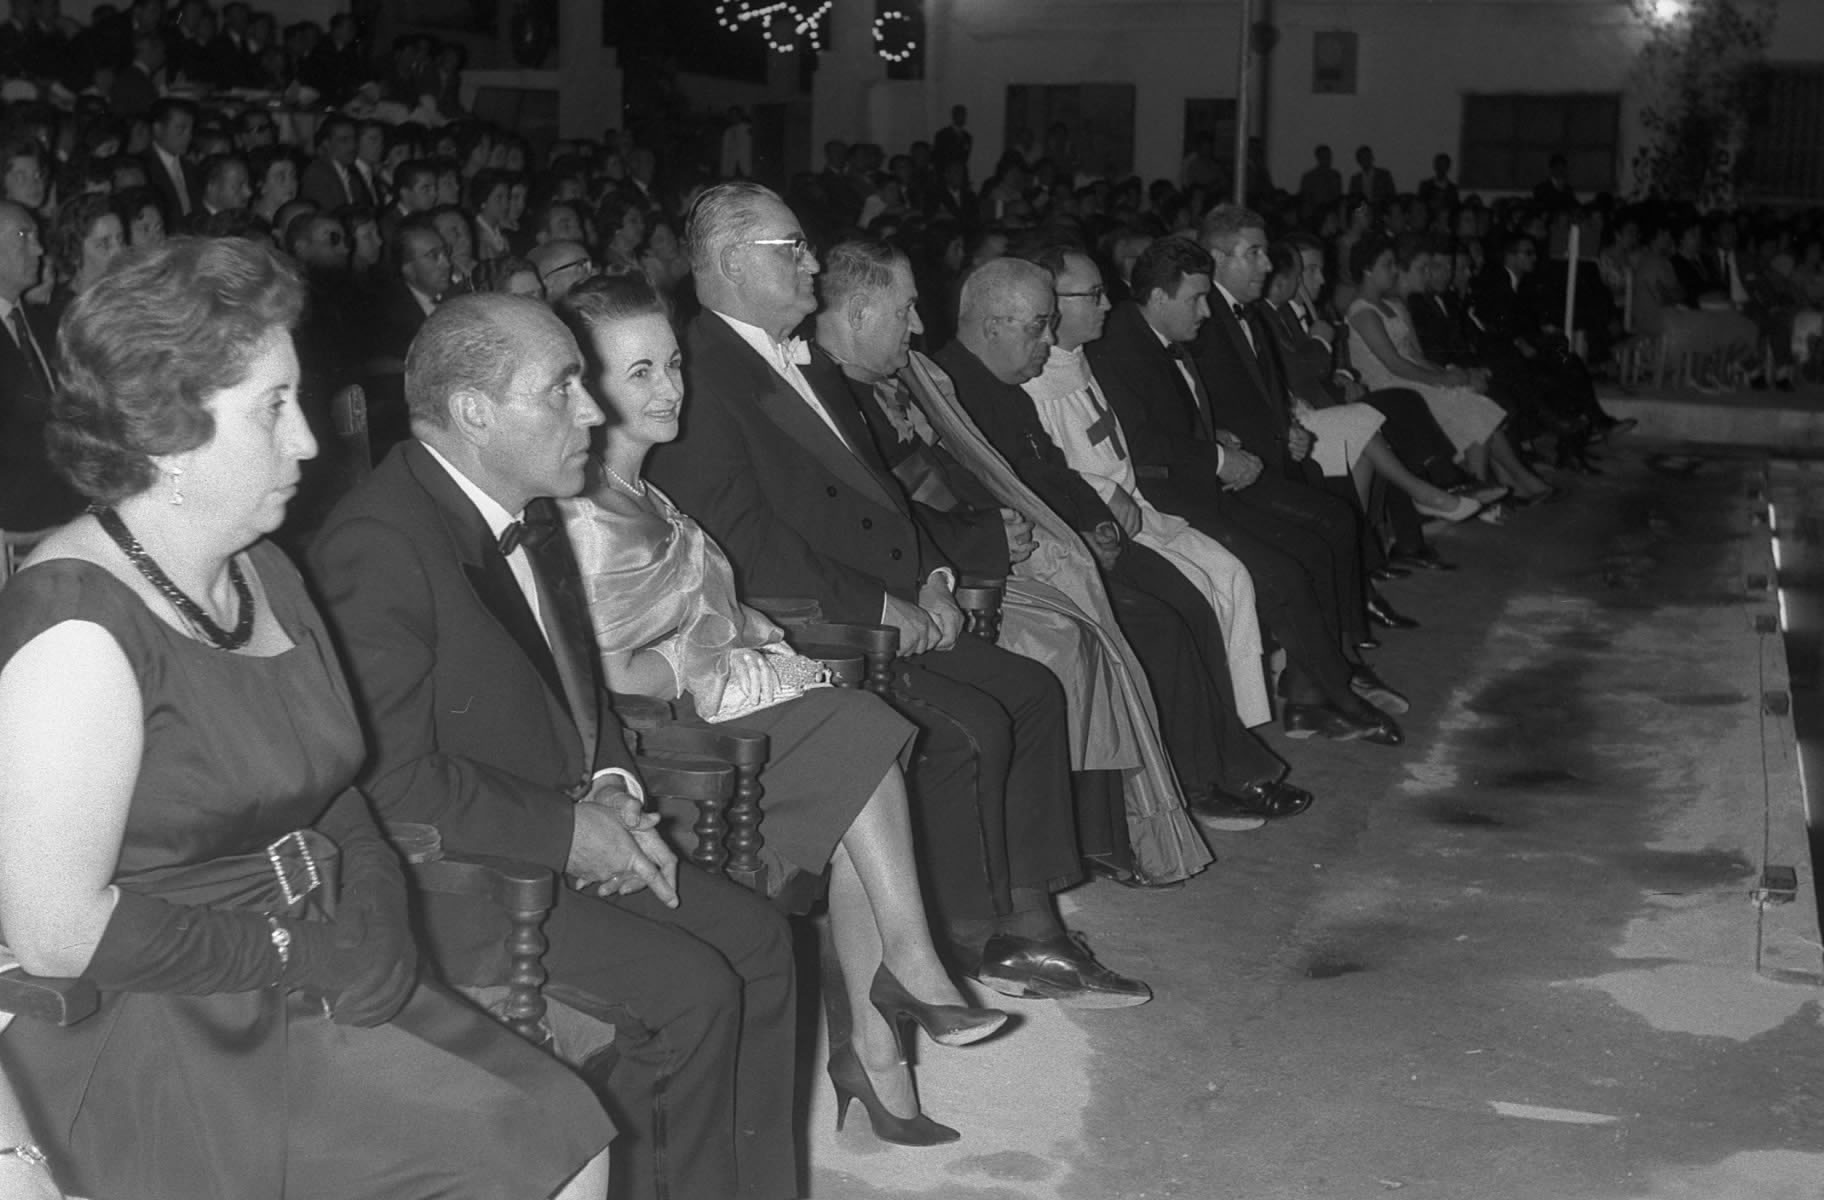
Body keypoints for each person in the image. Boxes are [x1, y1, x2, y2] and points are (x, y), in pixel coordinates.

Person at [0, 236, 611, 1200]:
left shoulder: (262, 568)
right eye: (272, 410)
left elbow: (334, 782)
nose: (310, 441)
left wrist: (376, 904)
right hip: (164, 1021)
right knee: (521, 1146)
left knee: (564, 1131)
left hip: (314, 953)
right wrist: (302, 951)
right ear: (167, 432)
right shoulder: (76, 627)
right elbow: (55, 932)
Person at [309, 291, 799, 1200]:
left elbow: (579, 691)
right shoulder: (381, 545)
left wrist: (611, 783)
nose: (594, 410)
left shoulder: (527, 504)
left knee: (763, 942)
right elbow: (383, 784)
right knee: (692, 992)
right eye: (563, 388)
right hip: (467, 879)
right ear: (474, 412)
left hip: (561, 833)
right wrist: (568, 833)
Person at [647, 182, 1153, 1006]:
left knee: (1030, 690)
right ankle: (969, 935)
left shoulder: (795, 356)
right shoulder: (703, 374)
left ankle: (1029, 929)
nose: (814, 261)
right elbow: (745, 545)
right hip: (806, 630)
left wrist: (930, 574)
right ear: (736, 262)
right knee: (974, 721)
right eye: (794, 249)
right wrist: (883, 606)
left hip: (883, 600)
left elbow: (879, 494)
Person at [557, 274, 1010, 1146]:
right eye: (640, 372)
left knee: (861, 747)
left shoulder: (650, 496)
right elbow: (600, 676)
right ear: (583, 389)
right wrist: (718, 661)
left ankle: (880, 1040)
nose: (671, 387)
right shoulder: (583, 519)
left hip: (729, 718)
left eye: (675, 363)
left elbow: (715, 613)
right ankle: (896, 1000)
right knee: (864, 732)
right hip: (668, 756)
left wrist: (757, 646)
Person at [941, 251, 1311, 825]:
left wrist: (1098, 522)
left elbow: (1054, 472)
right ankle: (1198, 778)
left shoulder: (1006, 383)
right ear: (994, 326)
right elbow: (993, 495)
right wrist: (1085, 532)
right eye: (1039, 326)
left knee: (1188, 601)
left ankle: (1223, 764)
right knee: (1165, 620)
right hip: (1026, 563)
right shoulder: (952, 390)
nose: (1049, 340)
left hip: (1077, 539)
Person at [1087, 235, 1404, 744]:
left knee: (1306, 545)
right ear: (1160, 298)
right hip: (1165, 501)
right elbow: (1142, 441)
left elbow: (1167, 419)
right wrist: (1216, 456)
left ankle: (1310, 697)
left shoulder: (1155, 333)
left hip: (1198, 482)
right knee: (1283, 573)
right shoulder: (1122, 343)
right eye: (1194, 299)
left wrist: (1214, 440)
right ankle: (1341, 699)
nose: (1205, 312)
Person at [1347, 235, 1552, 501]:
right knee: (1464, 403)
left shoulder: (1394, 306)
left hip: (1412, 378)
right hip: (1388, 386)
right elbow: (1393, 364)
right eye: (1388, 265)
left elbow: (1416, 356)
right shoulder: (1362, 312)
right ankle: (1514, 480)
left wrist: (1449, 375)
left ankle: (1484, 486)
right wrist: (1439, 379)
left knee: (1471, 399)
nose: (1395, 270)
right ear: (1368, 269)